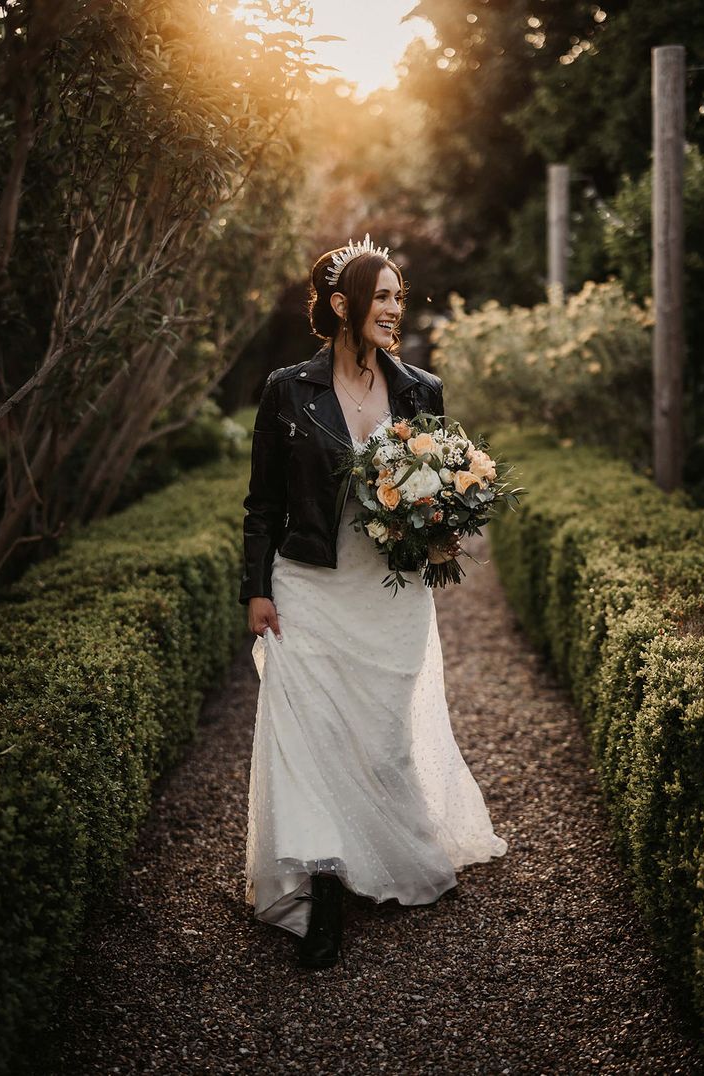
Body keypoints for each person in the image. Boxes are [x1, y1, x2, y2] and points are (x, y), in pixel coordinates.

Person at [239, 235, 508, 970]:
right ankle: (321, 882)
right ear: (341, 304)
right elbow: (263, 501)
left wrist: (444, 527)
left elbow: (443, 489)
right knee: (311, 734)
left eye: (398, 296)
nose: (395, 308)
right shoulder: (287, 389)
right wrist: (257, 588)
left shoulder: (421, 388)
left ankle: (389, 852)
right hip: (311, 586)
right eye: (382, 296)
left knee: (383, 739)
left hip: (389, 594)